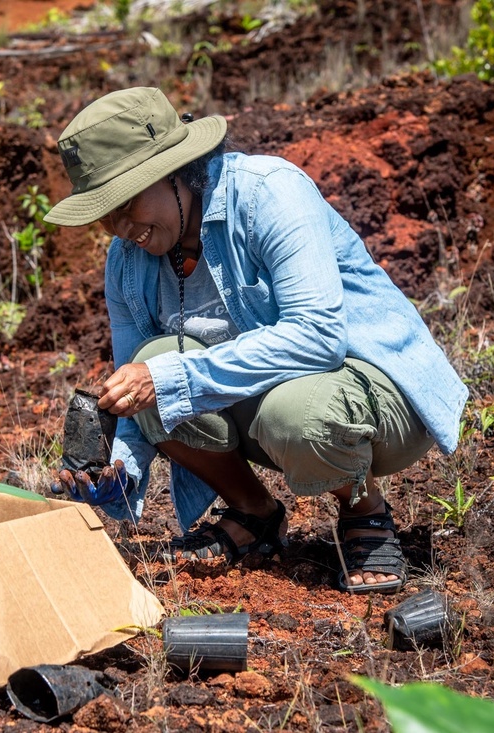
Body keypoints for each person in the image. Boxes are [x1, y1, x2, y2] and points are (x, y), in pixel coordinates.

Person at [47, 87, 467, 595]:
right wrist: (118, 469)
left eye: (126, 203)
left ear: (176, 171)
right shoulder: (127, 262)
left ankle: (364, 511)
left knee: (285, 408)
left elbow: (319, 337)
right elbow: (139, 393)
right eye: (105, 214)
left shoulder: (269, 193)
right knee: (149, 363)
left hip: (373, 397)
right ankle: (255, 514)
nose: (119, 228)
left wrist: (171, 378)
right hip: (265, 408)